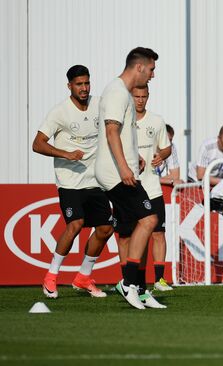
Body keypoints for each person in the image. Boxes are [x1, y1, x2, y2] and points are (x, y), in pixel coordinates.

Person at [32, 65, 114, 299]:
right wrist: (65, 154)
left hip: (95, 180)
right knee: (76, 224)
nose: (84, 88)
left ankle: (83, 277)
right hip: (69, 182)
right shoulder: (60, 112)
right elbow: (37, 144)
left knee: (106, 228)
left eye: (87, 83)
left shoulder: (100, 104)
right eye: (79, 84)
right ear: (70, 86)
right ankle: (51, 276)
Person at [95, 47, 162, 310]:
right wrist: (124, 168)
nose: (153, 75)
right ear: (140, 67)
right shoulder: (116, 92)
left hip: (124, 170)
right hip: (115, 174)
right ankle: (128, 283)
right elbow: (112, 132)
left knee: (133, 230)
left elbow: (122, 135)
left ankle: (141, 290)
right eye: (152, 69)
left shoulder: (122, 94)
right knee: (149, 219)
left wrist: (135, 159)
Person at [115, 85, 173, 296]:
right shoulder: (120, 122)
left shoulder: (157, 121)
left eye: (143, 96)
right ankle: (127, 280)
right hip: (127, 188)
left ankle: (158, 279)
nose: (140, 100)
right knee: (125, 237)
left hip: (151, 187)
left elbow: (166, 147)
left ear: (148, 97)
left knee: (157, 233)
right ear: (130, 97)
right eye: (136, 96)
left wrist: (162, 155)